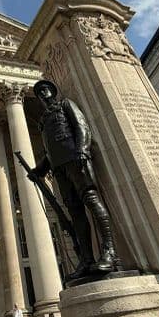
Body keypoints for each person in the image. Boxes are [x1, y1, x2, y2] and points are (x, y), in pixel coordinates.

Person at [27, 80, 118, 279]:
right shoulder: (43, 121)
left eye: (46, 90)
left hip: (76, 160)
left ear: (52, 92)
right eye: (39, 92)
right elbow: (51, 151)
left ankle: (109, 251)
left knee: (92, 201)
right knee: (75, 213)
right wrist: (39, 170)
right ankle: (87, 260)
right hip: (59, 169)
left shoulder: (65, 105)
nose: (43, 94)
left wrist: (82, 150)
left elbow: (81, 127)